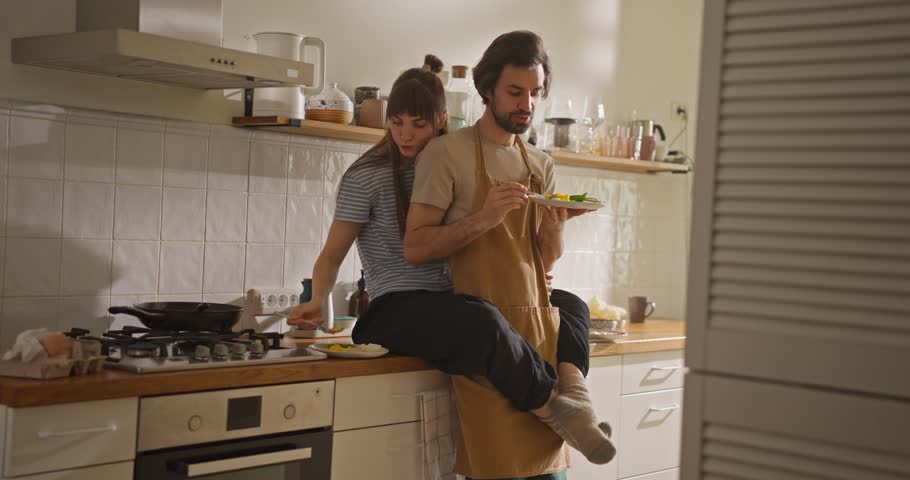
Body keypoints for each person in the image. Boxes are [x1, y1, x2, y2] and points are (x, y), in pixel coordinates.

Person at [288, 53, 610, 479]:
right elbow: (332, 254)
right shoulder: (365, 176)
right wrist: (318, 298)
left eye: (418, 125)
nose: (406, 134)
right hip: (394, 310)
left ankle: (576, 397)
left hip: (452, 304)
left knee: (569, 304)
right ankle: (556, 410)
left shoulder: (448, 161)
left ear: (441, 120)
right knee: (480, 319)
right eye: (397, 122)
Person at [404, 31, 614, 480]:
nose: (527, 104)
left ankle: (575, 402)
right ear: (487, 89)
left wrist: (555, 226)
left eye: (535, 93)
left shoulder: (540, 163)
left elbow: (545, 261)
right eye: (515, 92)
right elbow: (416, 247)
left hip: (536, 332)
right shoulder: (445, 153)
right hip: (488, 341)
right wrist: (483, 217)